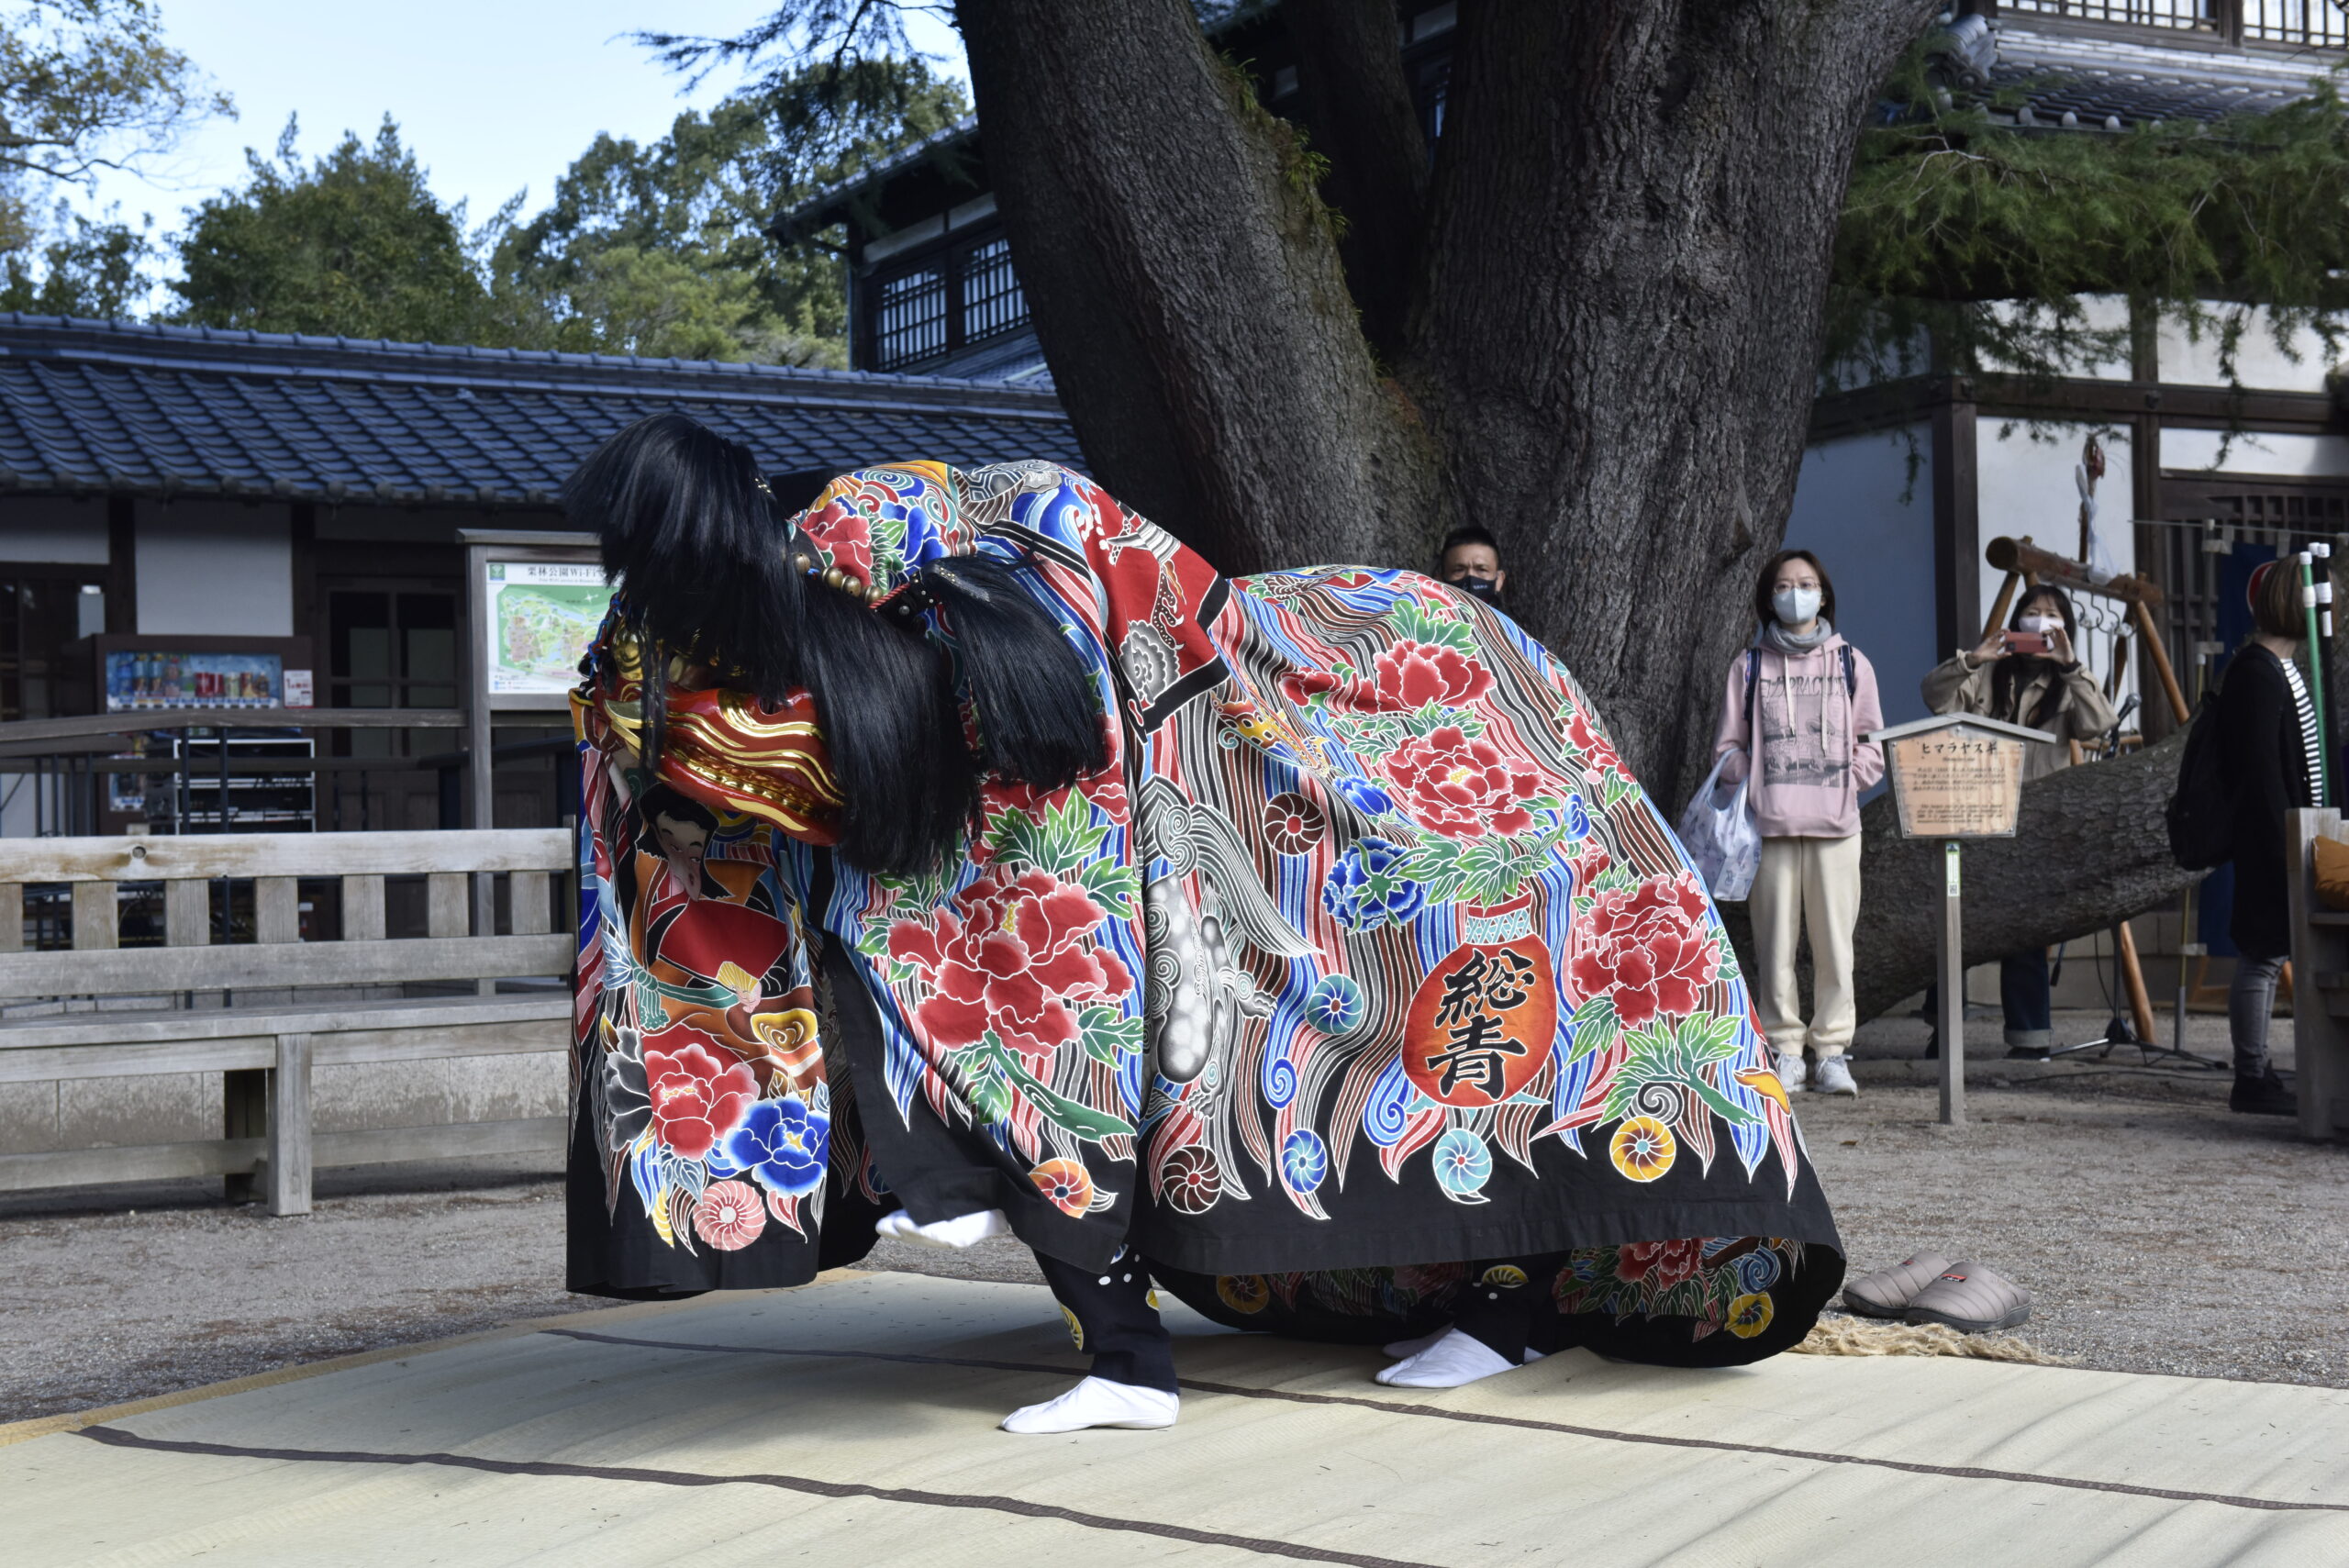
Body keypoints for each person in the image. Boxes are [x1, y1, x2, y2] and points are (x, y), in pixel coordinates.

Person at [564, 416, 1843, 1434]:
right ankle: (1133, 1346)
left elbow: (1096, 604)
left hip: (1391, 753)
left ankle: (1502, 1306)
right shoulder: (799, 623)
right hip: (995, 751)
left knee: (1452, 1029)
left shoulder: (975, 583)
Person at [1710, 550, 1883, 1098]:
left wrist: (1844, 782)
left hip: (1837, 829)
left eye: (1806, 584)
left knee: (1837, 946)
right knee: (1774, 945)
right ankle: (1785, 1049)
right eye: (1784, 585)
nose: (1796, 594)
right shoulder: (1750, 666)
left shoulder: (1852, 662)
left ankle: (1832, 1052)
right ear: (1769, 597)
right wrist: (1759, 781)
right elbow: (1727, 750)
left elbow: (1872, 745)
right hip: (1770, 829)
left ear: (1824, 594)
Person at [1920, 584, 2121, 1056]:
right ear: (2016, 622)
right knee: (1955, 924)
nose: (2041, 621)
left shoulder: (2069, 682)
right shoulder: (1986, 670)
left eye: (2052, 615)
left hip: (2037, 821)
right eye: (2032, 613)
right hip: (1973, 813)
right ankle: (1943, 1030)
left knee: (2028, 927)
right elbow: (1934, 696)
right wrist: (1975, 657)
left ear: (2065, 628)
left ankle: (2030, 1037)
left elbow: (2099, 724)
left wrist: (2071, 665)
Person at [2211, 560, 2315, 1117]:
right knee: (2264, 955)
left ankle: (2283, 1069)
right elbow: (2258, 771)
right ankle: (2251, 1075)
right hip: (2272, 837)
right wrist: (2283, 842)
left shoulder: (2289, 668)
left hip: (2300, 831)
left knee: (2277, 954)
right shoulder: (2255, 670)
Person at [1437, 525, 1507, 609]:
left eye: (1482, 569)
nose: (1470, 576)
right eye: (1459, 570)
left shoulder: (1507, 623)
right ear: (1438, 581)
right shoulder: (1420, 621)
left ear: (1499, 580)